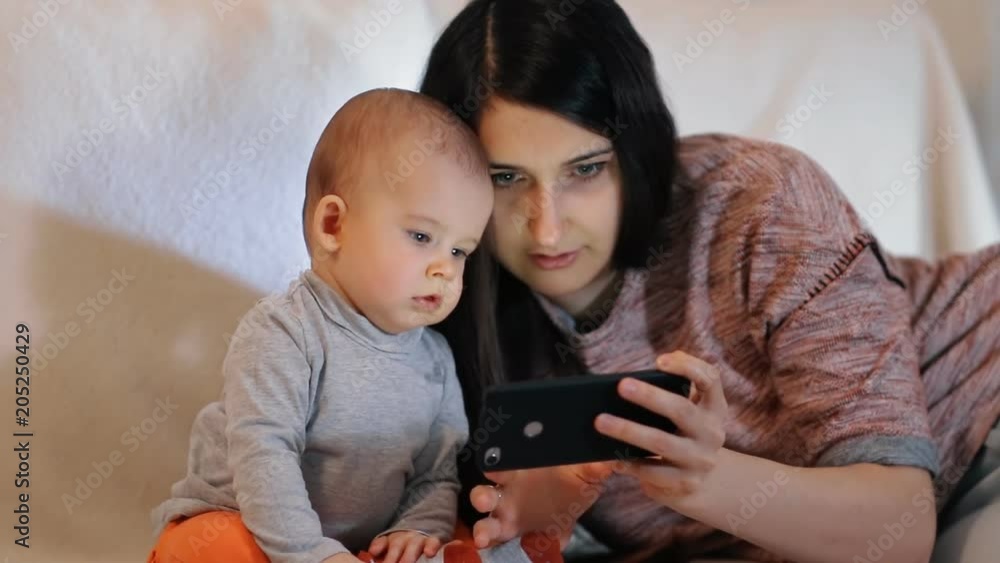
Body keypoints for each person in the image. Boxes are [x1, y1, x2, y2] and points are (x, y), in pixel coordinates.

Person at [419, 1, 1000, 562]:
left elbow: (899, 533)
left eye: (586, 169)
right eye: (505, 177)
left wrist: (707, 480)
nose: (546, 229)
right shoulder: (440, 303)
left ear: (637, 148)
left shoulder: (760, 204)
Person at [145, 88, 557, 563]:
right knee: (216, 546)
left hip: (358, 547)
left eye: (460, 250)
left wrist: (416, 528)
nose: (445, 268)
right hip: (251, 530)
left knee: (486, 548)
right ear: (334, 226)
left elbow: (434, 475)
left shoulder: (436, 362)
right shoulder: (284, 332)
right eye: (422, 236)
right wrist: (311, 554)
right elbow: (264, 457)